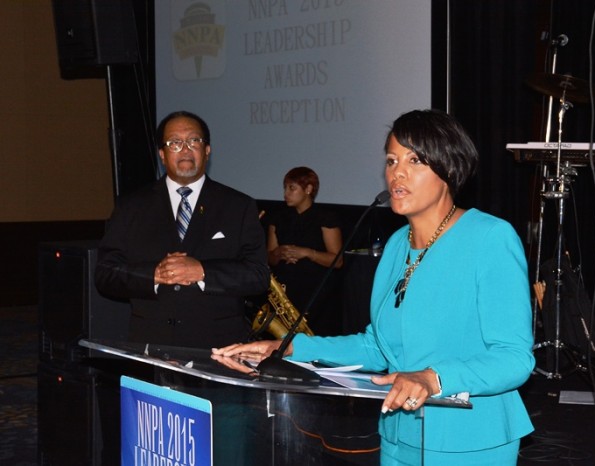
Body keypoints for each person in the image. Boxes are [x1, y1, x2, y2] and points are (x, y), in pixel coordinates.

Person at [212, 109, 534, 465]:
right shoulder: (397, 244)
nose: (396, 172)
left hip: (469, 438)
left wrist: (433, 379)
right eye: (392, 160)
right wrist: (287, 348)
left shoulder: (489, 238)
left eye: (414, 160)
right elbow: (377, 347)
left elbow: (514, 357)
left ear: (449, 167)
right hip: (398, 432)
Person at [95, 110, 270, 348]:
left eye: (193, 141)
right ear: (162, 154)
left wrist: (202, 271)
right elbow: (106, 274)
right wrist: (154, 274)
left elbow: (258, 276)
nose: (185, 149)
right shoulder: (131, 206)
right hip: (151, 344)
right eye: (174, 143)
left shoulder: (238, 205)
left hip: (219, 348)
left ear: (207, 151)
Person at [263, 166, 344, 335]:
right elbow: (269, 257)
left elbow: (337, 261)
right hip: (285, 293)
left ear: (308, 189)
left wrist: (307, 253)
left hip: (317, 296)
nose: (286, 193)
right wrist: (279, 253)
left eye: (292, 188)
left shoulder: (325, 218)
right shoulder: (277, 218)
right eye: (285, 188)